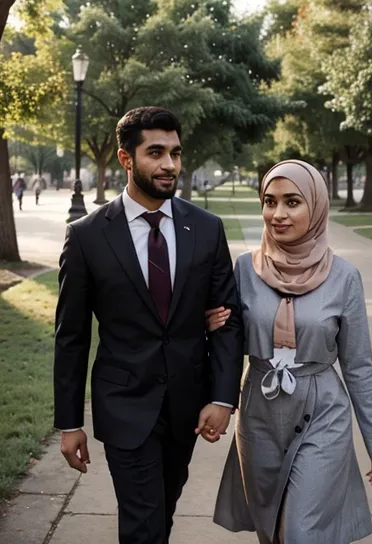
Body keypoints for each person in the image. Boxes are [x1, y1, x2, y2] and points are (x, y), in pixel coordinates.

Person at [54, 106, 244, 544]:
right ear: (126, 159)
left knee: (162, 512)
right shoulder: (86, 235)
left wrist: (221, 397)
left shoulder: (207, 229)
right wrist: (68, 423)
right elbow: (72, 334)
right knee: (143, 523)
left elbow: (228, 320)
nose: (169, 165)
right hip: (123, 403)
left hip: (187, 405)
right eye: (155, 152)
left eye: (175, 153)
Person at [208, 159, 372, 544]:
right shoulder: (243, 269)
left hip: (323, 412)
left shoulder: (344, 277)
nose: (278, 214)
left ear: (316, 205)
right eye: (269, 201)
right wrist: (209, 329)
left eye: (292, 202)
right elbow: (228, 344)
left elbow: (358, 366)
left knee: (300, 531)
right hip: (258, 411)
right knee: (271, 528)